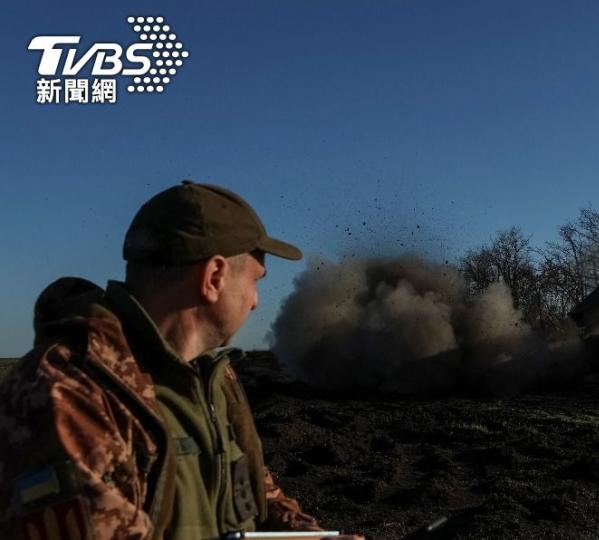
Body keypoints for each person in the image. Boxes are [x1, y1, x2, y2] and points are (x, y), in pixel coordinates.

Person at [0, 181, 363, 540]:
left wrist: (314, 536)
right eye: (256, 281)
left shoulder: (213, 380)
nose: (255, 302)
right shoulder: (69, 393)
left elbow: (254, 497)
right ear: (215, 277)